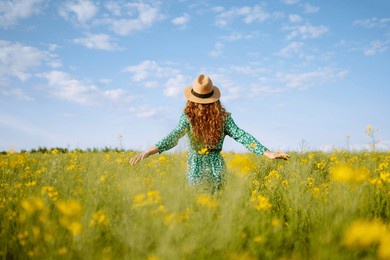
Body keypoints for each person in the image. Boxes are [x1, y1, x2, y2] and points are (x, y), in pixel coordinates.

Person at [130, 74, 289, 190]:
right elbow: (243, 136)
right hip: (217, 169)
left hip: (196, 169)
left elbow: (173, 137)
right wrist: (268, 153)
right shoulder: (221, 118)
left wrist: (148, 151)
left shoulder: (189, 117)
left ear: (192, 99)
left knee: (199, 212)